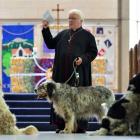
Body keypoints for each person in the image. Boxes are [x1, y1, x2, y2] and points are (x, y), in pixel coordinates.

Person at [42, 9, 98, 133]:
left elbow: (93, 52)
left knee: (78, 100)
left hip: (79, 73)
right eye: (69, 18)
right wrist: (46, 30)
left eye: (73, 18)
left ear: (80, 21)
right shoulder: (63, 34)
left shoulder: (88, 36)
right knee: (60, 99)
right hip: (61, 73)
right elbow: (51, 44)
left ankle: (79, 126)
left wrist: (82, 59)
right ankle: (62, 125)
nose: (70, 21)